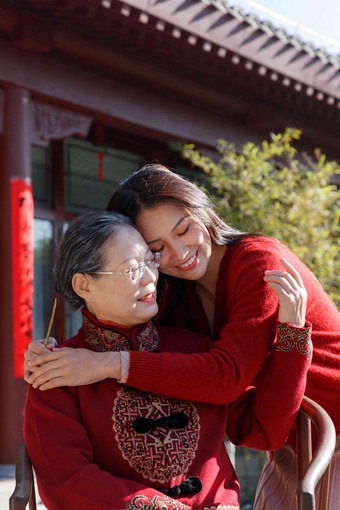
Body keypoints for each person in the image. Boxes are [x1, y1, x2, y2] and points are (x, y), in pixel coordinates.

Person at [25, 164, 340, 508]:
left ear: (201, 210)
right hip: (298, 445)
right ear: (84, 285)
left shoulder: (259, 265)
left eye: (183, 229)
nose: (174, 256)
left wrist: (108, 364)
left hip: (326, 439)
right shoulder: (174, 301)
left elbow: (231, 385)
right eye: (153, 251)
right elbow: (66, 480)